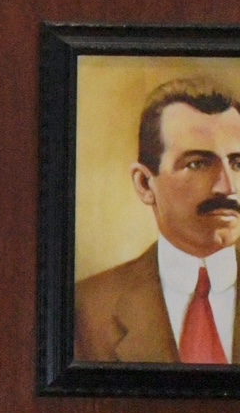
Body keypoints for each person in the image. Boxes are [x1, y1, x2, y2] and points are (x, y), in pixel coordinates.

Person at [75, 78, 240, 364]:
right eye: (198, 164)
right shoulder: (86, 309)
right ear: (144, 184)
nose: (228, 187)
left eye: (238, 164)